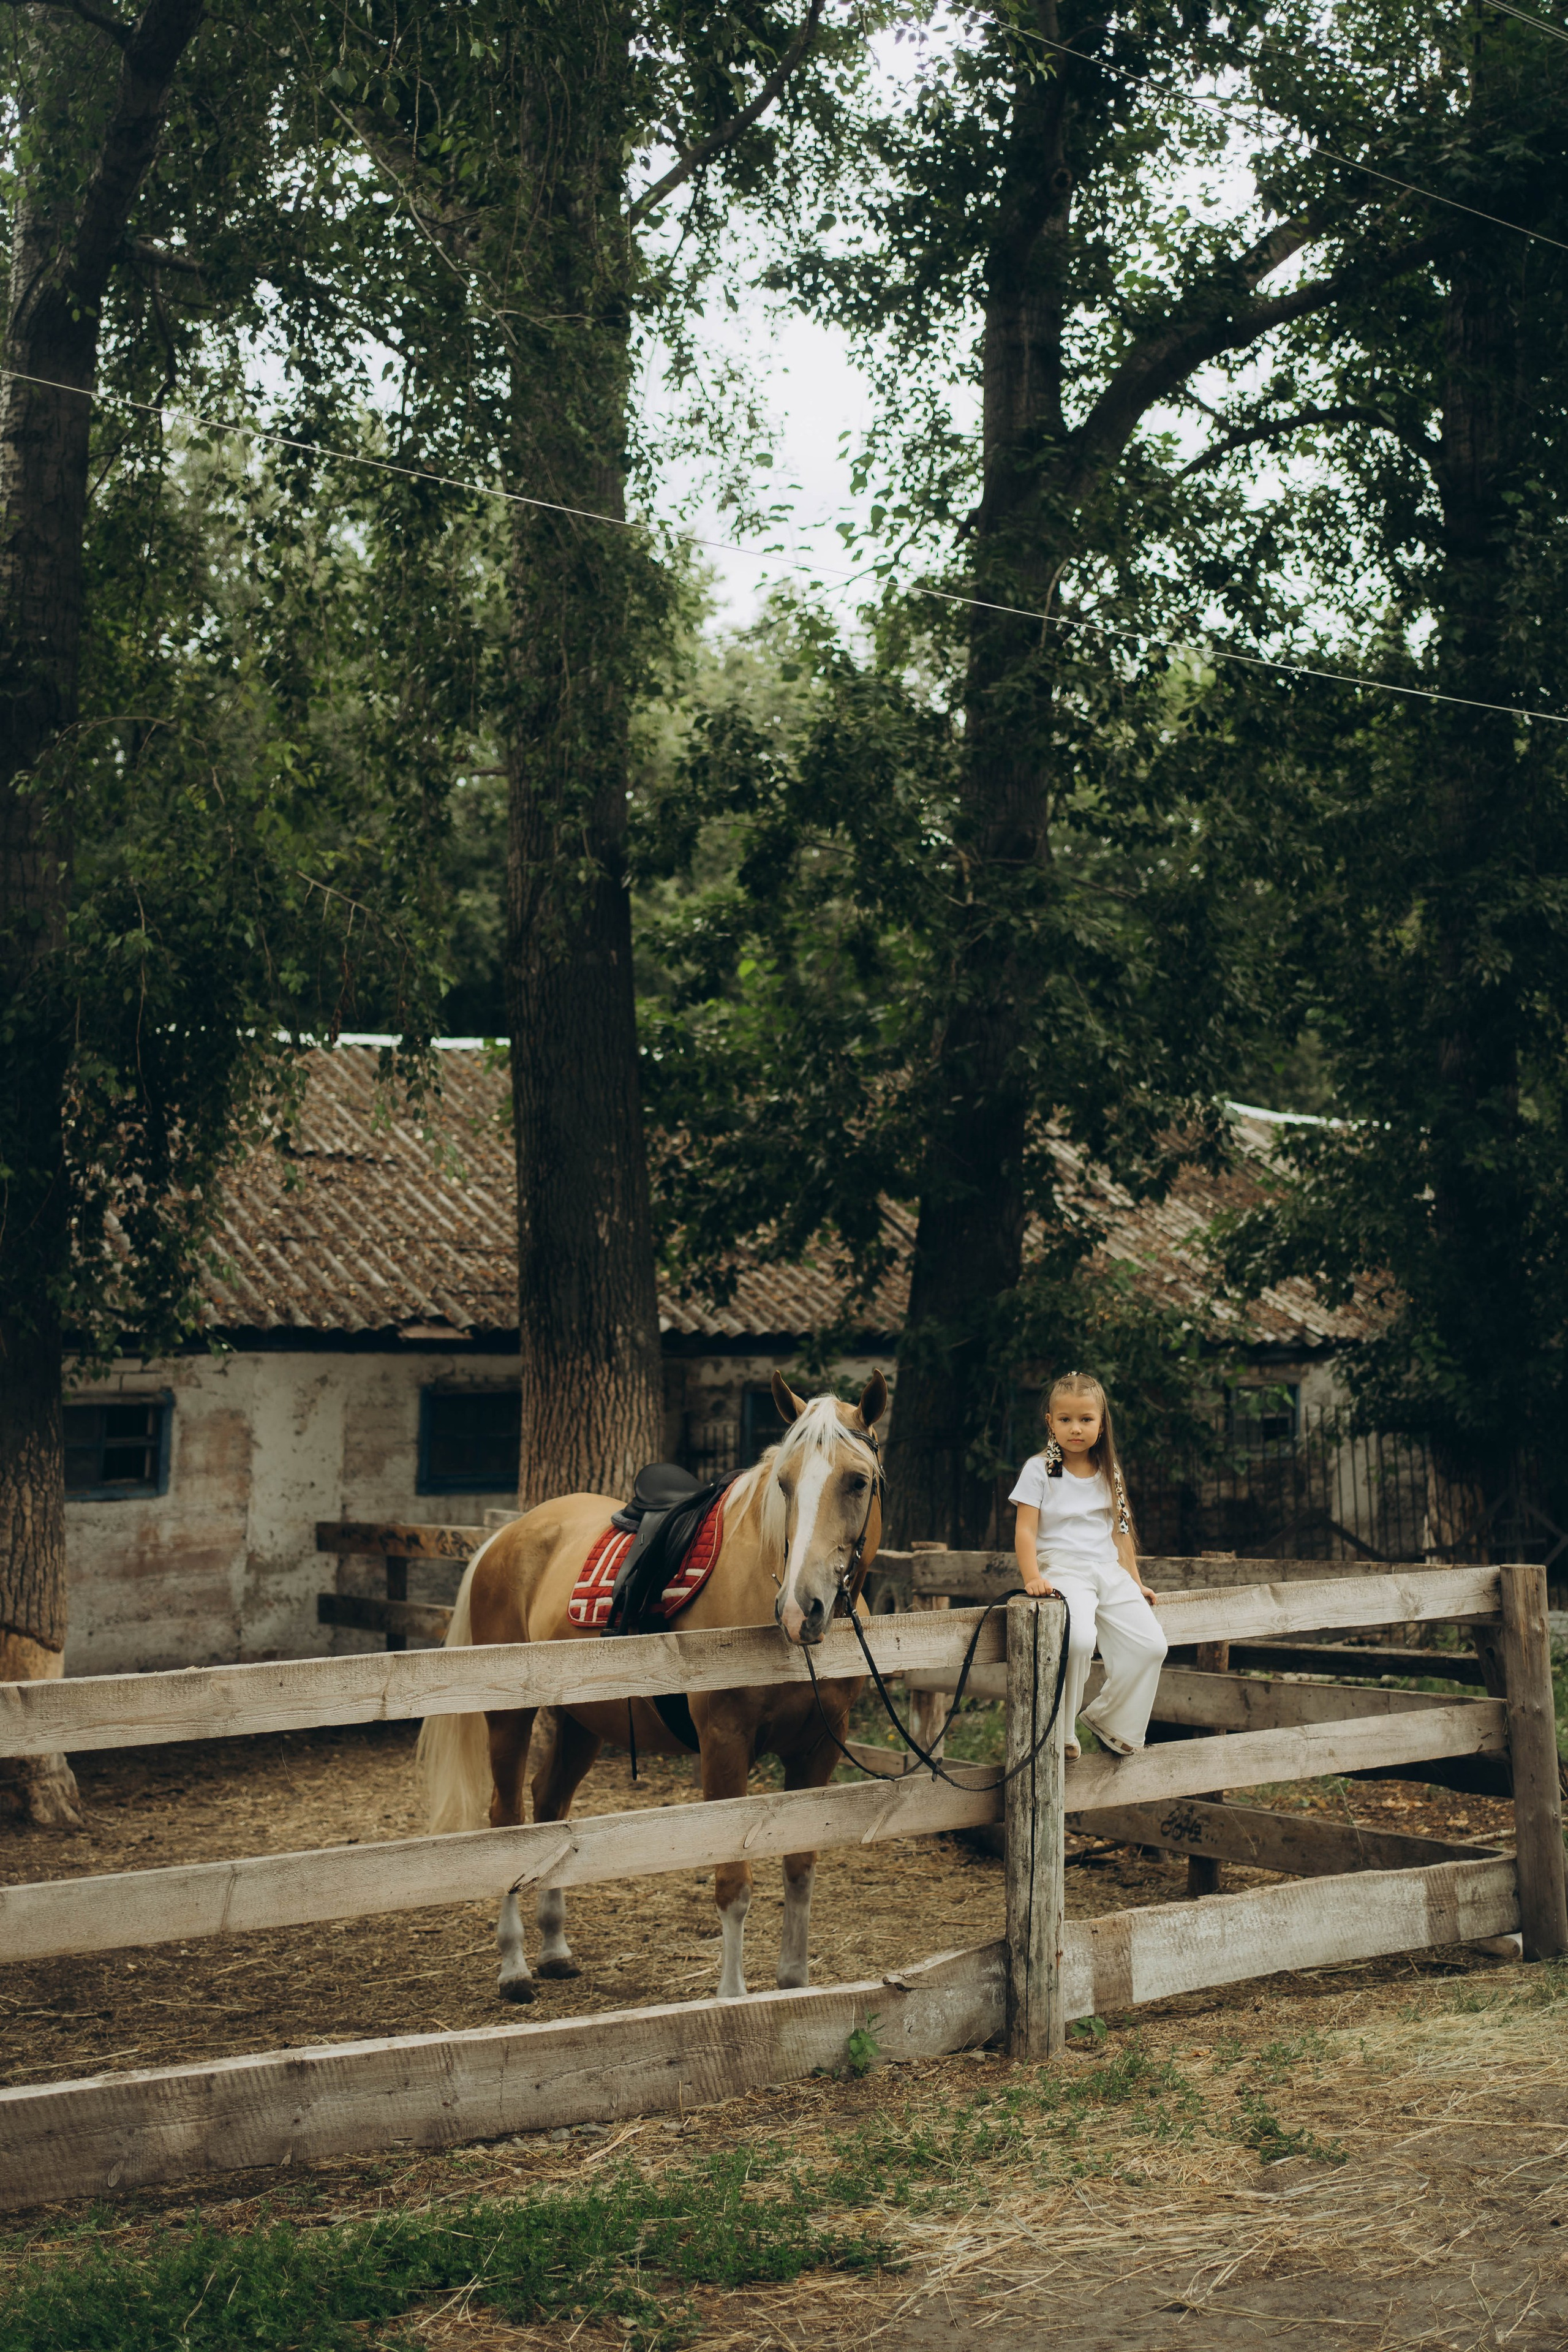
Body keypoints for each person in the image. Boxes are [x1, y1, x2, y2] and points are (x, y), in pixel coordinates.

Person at [1009, 1371, 1166, 1760]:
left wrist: (1135, 1581)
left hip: (1109, 1570)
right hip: (1064, 1569)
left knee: (1151, 1646)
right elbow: (1026, 1530)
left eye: (1085, 1419)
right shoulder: (1040, 1469)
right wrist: (1032, 1577)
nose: (1075, 1428)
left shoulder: (1108, 1471)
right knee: (1079, 1640)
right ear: (1050, 1422)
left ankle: (1112, 1721)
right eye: (1065, 1419)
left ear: (1101, 1423)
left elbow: (1121, 1531)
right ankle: (1063, 1733)